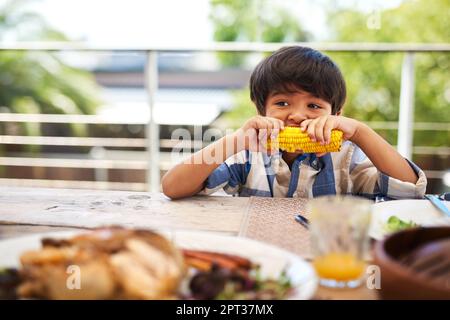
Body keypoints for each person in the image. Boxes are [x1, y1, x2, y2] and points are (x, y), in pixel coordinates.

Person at [162, 46, 427, 200]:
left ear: (335, 115)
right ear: (261, 110)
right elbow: (173, 187)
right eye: (282, 103)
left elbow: (409, 191)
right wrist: (234, 140)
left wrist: (360, 132)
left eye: (313, 106)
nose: (297, 115)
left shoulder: (346, 157)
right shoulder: (248, 154)